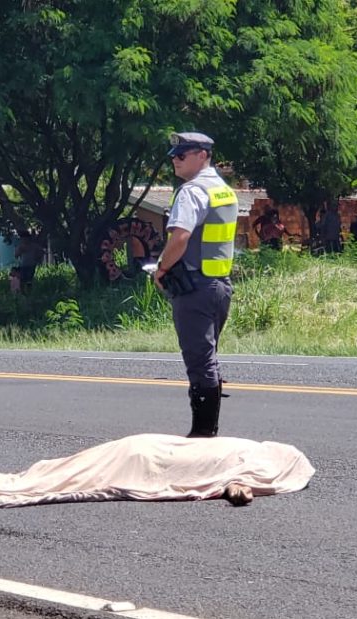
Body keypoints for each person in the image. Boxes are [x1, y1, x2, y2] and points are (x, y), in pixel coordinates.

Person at [153, 131, 238, 438]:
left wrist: (161, 269)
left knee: (199, 361)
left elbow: (181, 237)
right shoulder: (223, 191)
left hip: (194, 287)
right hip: (220, 285)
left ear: (202, 155)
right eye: (174, 156)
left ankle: (203, 434)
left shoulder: (192, 191)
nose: (174, 161)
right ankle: (206, 430)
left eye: (181, 155)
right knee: (208, 357)